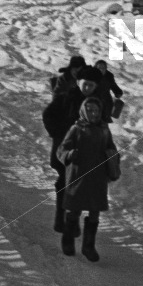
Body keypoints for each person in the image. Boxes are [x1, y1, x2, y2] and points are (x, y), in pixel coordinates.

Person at [56, 96, 118, 261]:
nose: (93, 113)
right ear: (83, 111)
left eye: (96, 110)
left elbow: (111, 147)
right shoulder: (76, 129)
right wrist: (69, 154)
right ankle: (68, 241)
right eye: (89, 110)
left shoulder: (104, 130)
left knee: (94, 212)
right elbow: (62, 149)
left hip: (97, 178)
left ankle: (88, 246)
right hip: (78, 176)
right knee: (74, 209)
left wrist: (111, 156)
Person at [43, 64, 102, 233]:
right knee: (64, 183)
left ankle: (72, 220)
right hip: (65, 151)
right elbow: (48, 115)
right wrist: (59, 134)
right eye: (85, 84)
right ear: (78, 82)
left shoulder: (96, 104)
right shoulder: (66, 98)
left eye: (92, 85)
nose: (88, 88)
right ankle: (60, 219)